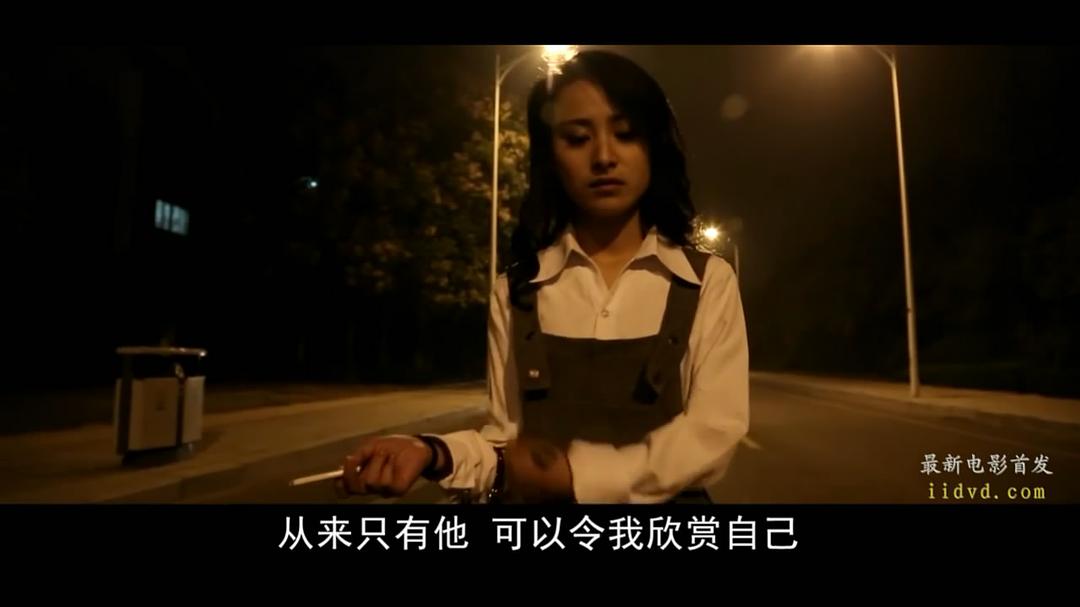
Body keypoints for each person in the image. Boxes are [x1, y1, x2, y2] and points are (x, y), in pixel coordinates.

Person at [338, 49, 749, 504]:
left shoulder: (707, 281)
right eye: (577, 138)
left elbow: (710, 435)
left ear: (654, 146)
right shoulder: (517, 290)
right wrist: (432, 452)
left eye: (626, 133)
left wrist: (575, 476)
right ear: (551, 156)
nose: (604, 156)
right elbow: (505, 446)